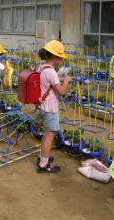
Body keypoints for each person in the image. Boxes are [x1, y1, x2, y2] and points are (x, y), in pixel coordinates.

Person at [35, 40, 73, 173]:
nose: (61, 60)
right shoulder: (51, 72)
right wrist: (66, 81)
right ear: (55, 57)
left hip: (41, 105)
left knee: (47, 133)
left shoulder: (42, 67)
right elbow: (61, 92)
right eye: (60, 58)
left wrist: (60, 79)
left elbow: (49, 81)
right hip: (49, 108)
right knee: (50, 134)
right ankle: (43, 165)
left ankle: (42, 157)